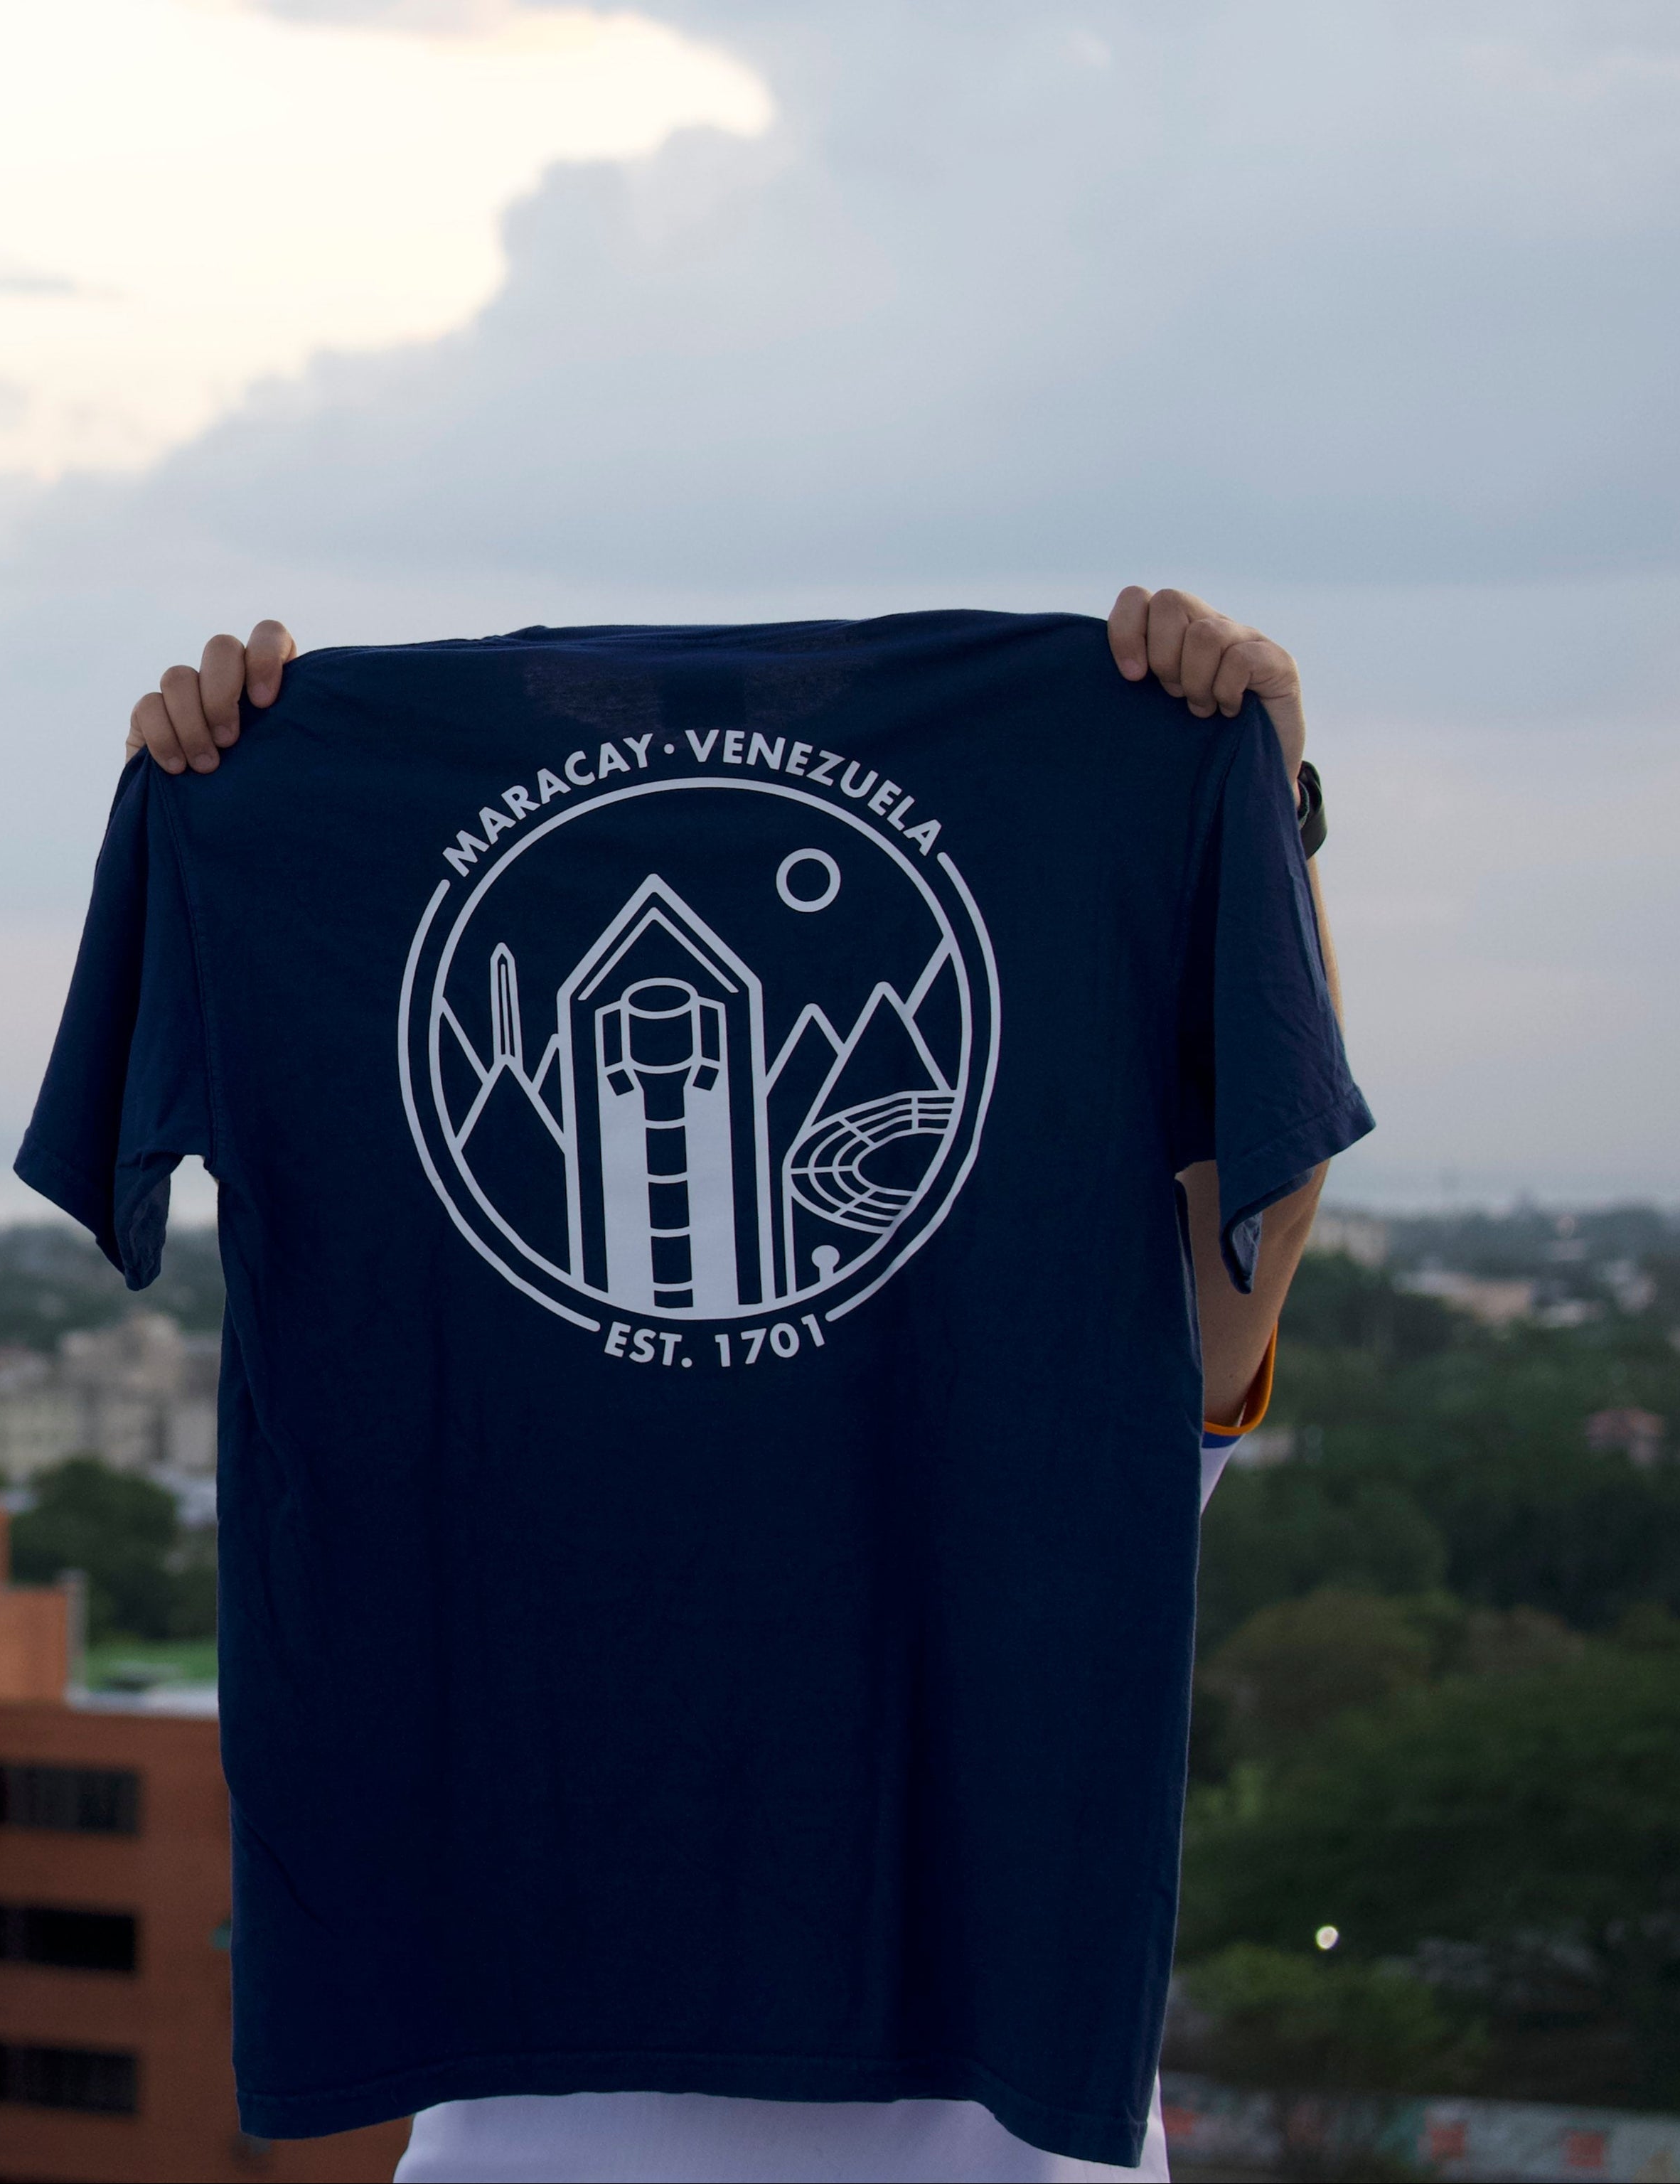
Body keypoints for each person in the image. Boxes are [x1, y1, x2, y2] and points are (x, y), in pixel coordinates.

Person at [113, 587, 1338, 2184]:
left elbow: (1270, 1182)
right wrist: (235, 791)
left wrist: (1263, 813)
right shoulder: (479, 1389)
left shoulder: (1039, 1377)